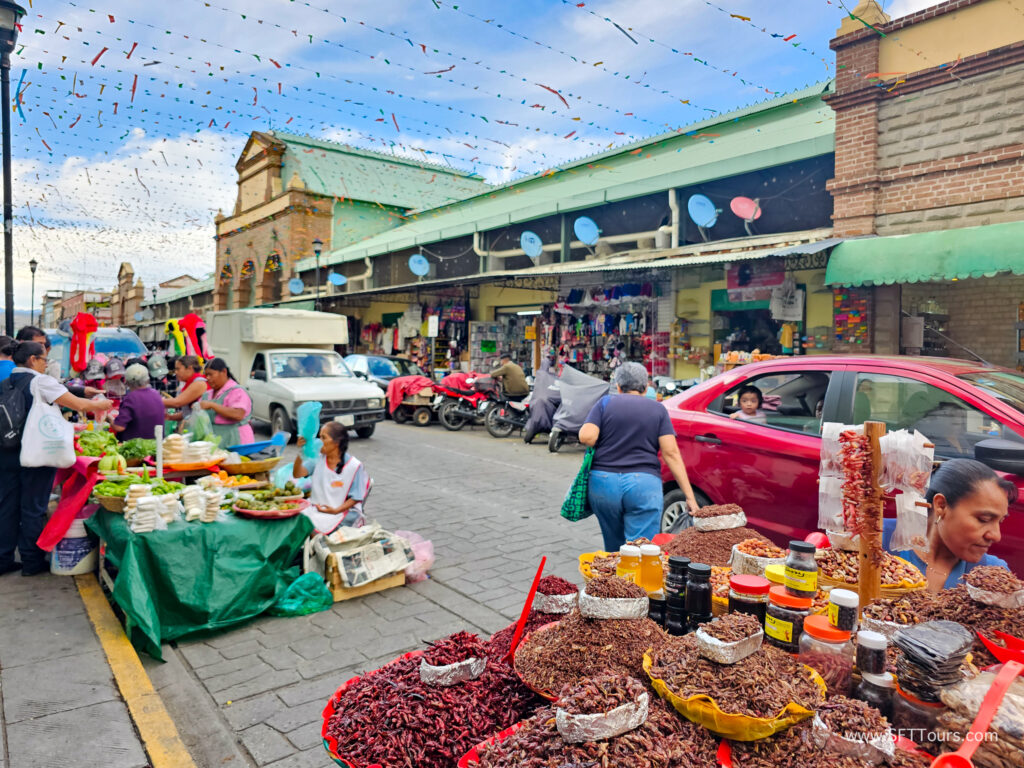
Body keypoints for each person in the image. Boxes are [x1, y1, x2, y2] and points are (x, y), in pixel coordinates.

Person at [0, 340, 112, 576]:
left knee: (7, 507)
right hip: (36, 455)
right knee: (32, 508)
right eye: (44, 359)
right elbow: (78, 404)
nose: (46, 364)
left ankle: (4, 559)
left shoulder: (6, 382)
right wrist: (104, 403)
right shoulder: (40, 381)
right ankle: (31, 562)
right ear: (33, 360)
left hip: (7, 454)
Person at [579, 361, 700, 552]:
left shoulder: (605, 403)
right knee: (641, 549)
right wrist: (690, 497)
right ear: (645, 388)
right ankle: (635, 579)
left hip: (603, 483)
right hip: (643, 485)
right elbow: (671, 454)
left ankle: (615, 577)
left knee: (614, 547)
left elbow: (587, 436)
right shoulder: (658, 410)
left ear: (618, 386)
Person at [883, 458, 1017, 592]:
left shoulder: (993, 576)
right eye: (984, 519)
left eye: (1000, 521)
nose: (996, 536)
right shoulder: (877, 539)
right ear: (941, 505)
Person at [292, 422, 370, 534]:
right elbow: (297, 473)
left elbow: (356, 497)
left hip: (340, 513)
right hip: (316, 510)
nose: (319, 441)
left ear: (336, 442)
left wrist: (335, 510)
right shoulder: (317, 459)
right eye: (319, 437)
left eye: (323, 438)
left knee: (313, 531)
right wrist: (301, 453)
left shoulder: (354, 466)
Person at [200, 357, 254, 446]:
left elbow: (238, 414)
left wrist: (213, 405)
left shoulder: (237, 391)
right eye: (206, 375)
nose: (208, 378)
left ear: (224, 372)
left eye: (211, 374)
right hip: (216, 441)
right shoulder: (207, 395)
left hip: (236, 440)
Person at [111, 364, 166, 441]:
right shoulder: (156, 394)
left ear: (127, 382)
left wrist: (108, 418)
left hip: (136, 448)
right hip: (157, 445)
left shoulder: (130, 398)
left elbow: (119, 427)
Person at [162, 355, 207, 428]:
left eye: (178, 369)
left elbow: (177, 402)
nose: (175, 372)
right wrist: (170, 417)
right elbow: (188, 412)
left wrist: (154, 400)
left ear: (189, 368)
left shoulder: (199, 383)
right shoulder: (190, 383)